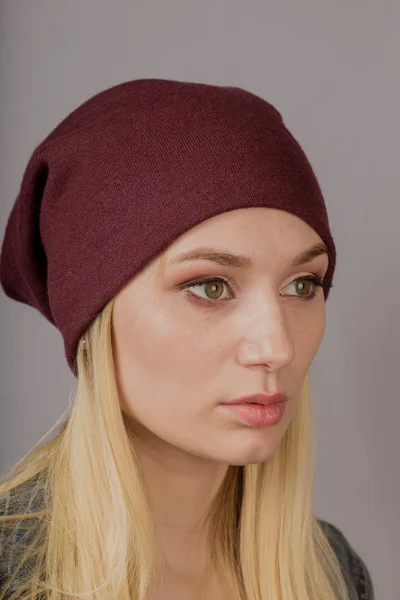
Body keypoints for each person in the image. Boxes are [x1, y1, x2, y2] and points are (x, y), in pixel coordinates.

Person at [0, 78, 374, 600]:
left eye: (302, 284)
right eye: (211, 286)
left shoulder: (333, 574)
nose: (277, 348)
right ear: (95, 315)